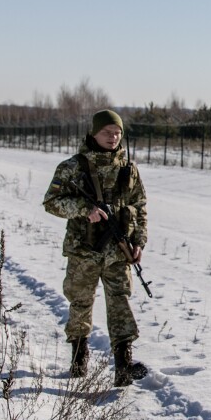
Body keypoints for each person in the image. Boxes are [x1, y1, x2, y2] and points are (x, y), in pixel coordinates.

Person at [44, 109, 149, 387]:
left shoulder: (129, 169)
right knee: (81, 302)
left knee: (120, 302)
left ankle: (124, 364)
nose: (113, 138)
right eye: (107, 132)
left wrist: (138, 242)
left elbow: (140, 207)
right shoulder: (73, 166)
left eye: (117, 133)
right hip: (84, 250)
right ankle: (79, 355)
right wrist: (84, 208)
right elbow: (52, 202)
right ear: (93, 133)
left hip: (117, 251)